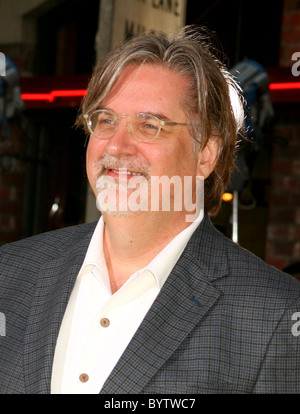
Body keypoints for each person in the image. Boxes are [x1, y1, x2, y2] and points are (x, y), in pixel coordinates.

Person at [1, 26, 300, 395]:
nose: (117, 146)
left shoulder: (274, 316)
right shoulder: (10, 273)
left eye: (149, 125)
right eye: (106, 120)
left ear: (206, 153)